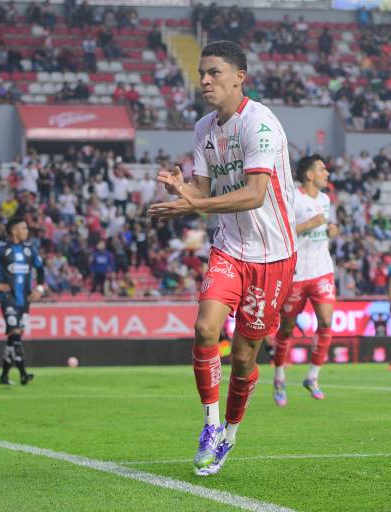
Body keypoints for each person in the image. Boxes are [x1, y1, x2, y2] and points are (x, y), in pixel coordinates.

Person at [148, 40, 296, 476]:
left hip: (273, 256)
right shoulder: (203, 128)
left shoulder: (261, 125)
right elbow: (203, 192)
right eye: (201, 74)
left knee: (246, 358)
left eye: (214, 73)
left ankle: (231, 432)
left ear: (239, 77)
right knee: (205, 327)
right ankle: (210, 425)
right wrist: (183, 191)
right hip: (229, 248)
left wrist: (193, 204)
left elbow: (253, 195)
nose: (205, 81)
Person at [271, 154, 338, 406]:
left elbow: (323, 228)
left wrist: (330, 229)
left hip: (322, 269)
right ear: (310, 175)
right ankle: (279, 376)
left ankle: (312, 376)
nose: (327, 174)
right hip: (296, 273)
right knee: (286, 329)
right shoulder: (293, 198)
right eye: (322, 169)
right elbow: (281, 232)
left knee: (326, 321)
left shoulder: (325, 199)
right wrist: (311, 223)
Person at [0, 216, 45, 386]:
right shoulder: (1, 249)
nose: (27, 231)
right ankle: (23, 374)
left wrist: (39, 289)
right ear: (14, 231)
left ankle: (4, 376)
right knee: (16, 333)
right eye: (24, 228)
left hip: (25, 300)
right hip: (8, 299)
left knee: (13, 338)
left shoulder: (30, 249)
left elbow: (40, 270)